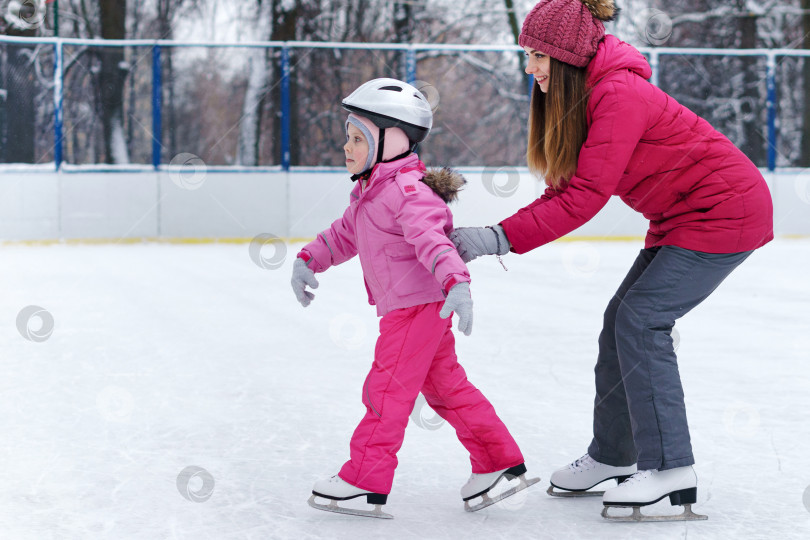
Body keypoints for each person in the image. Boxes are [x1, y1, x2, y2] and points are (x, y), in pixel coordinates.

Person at [450, 0, 773, 521]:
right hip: (679, 217)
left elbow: (584, 199)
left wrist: (495, 240)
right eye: (526, 54)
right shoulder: (589, 95)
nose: (529, 67)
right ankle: (614, 456)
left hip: (725, 211)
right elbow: (565, 190)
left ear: (568, 56)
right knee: (617, 324)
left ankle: (670, 470)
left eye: (537, 55)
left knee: (642, 321)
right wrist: (491, 236)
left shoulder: (618, 93)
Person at [291, 78, 534, 518]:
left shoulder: (408, 193)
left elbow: (435, 243)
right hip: (417, 309)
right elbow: (344, 235)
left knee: (385, 392)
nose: (347, 146)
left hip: (414, 310)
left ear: (392, 140)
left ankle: (364, 481)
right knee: (446, 388)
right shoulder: (372, 192)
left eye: (358, 138)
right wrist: (309, 259)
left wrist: (457, 283)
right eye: (347, 136)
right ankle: (498, 461)